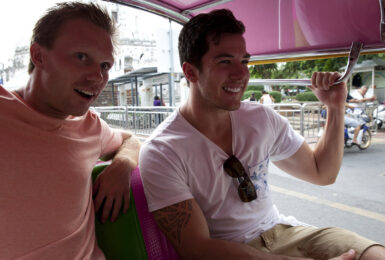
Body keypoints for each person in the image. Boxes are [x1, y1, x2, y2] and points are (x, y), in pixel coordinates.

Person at [139, 9, 385, 260]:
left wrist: (335, 107)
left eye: (244, 61)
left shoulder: (261, 119)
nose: (241, 74)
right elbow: (198, 249)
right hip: (231, 252)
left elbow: (322, 172)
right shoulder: (162, 151)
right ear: (190, 72)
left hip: (284, 232)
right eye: (225, 61)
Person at [0, 2, 140, 259]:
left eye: (105, 65)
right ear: (39, 56)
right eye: (81, 57)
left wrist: (122, 165)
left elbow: (130, 140)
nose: (97, 77)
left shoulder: (91, 126)